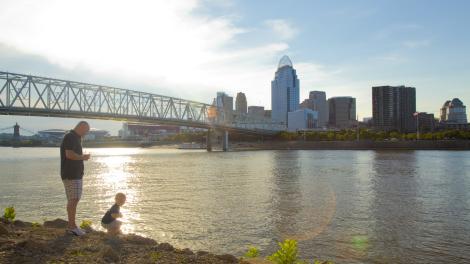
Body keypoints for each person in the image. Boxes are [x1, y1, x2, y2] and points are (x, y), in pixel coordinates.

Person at [60, 121, 90, 236]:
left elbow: (71, 154)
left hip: (72, 173)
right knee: (74, 199)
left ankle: (71, 226)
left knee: (72, 199)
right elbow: (69, 154)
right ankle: (72, 227)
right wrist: (83, 157)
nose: (86, 133)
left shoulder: (74, 137)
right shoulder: (70, 137)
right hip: (72, 174)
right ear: (81, 127)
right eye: (86, 130)